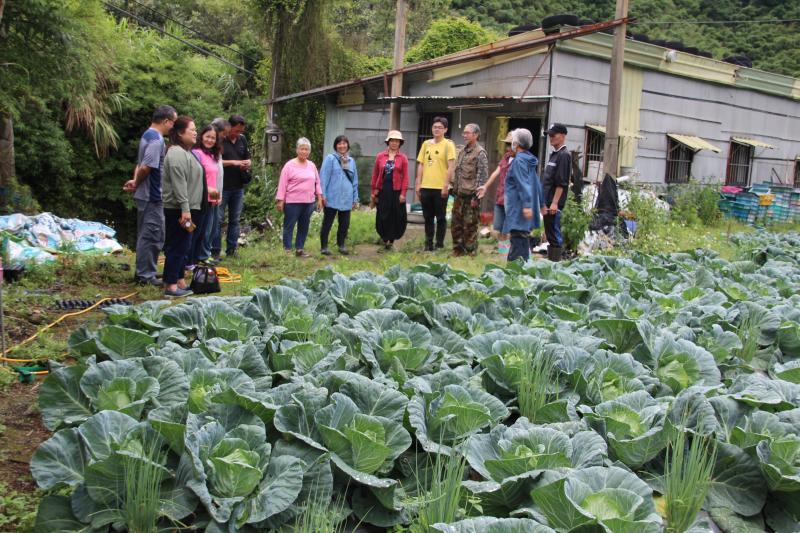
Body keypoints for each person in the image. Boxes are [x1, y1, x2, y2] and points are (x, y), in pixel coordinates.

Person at [123, 105, 176, 286]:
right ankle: (146, 276)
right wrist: (137, 182)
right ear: (166, 121)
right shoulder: (156, 139)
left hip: (145, 194)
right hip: (152, 195)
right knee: (152, 234)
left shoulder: (147, 135)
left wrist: (134, 180)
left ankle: (144, 271)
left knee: (148, 233)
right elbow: (146, 166)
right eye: (173, 123)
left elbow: (140, 163)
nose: (173, 127)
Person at [162, 116, 205, 297]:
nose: (196, 132)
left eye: (196, 129)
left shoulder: (187, 152)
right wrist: (185, 209)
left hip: (188, 207)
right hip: (178, 209)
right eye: (191, 130)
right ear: (180, 133)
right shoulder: (176, 153)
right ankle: (171, 286)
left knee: (184, 246)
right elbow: (179, 184)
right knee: (177, 246)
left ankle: (179, 280)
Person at [276, 137, 324, 258]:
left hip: (308, 202)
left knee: (304, 226)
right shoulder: (289, 165)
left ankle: (299, 249)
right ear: (297, 150)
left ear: (309, 151)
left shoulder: (312, 165)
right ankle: (287, 249)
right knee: (289, 226)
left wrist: (319, 198)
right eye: (302, 149)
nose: (304, 152)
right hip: (292, 202)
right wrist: (280, 201)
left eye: (307, 149)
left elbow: (317, 182)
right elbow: (282, 184)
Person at [415, 116, 455, 251]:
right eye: (435, 127)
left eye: (440, 127)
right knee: (427, 217)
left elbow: (451, 167)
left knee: (441, 217)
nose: (437, 129)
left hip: (440, 188)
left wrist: (446, 185)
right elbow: (421, 164)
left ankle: (439, 245)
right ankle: (428, 244)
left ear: (445, 129)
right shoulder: (426, 144)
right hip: (426, 186)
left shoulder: (448, 144)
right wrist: (418, 183)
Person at [503, 128, 543, 262]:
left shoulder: (519, 161)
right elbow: (536, 183)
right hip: (524, 208)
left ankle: (515, 275)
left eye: (512, 141)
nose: (510, 145)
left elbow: (522, 184)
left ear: (517, 144)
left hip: (519, 208)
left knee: (518, 243)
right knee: (522, 242)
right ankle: (524, 271)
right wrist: (541, 204)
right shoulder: (528, 160)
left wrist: (526, 205)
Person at [450, 123, 488, 257]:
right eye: (464, 133)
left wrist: (476, 198)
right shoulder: (461, 151)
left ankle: (470, 250)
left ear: (476, 135)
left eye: (467, 133)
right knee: (456, 224)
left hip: (471, 196)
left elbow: (482, 177)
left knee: (470, 224)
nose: (464, 135)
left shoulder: (480, 153)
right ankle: (457, 249)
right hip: (459, 194)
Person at [319, 135, 359, 256]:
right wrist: (323, 195)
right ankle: (324, 247)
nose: (342, 146)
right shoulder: (330, 159)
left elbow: (355, 181)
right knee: (327, 222)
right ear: (336, 146)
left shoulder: (351, 161)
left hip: (347, 197)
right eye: (339, 143)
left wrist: (355, 198)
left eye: (344, 143)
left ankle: (341, 245)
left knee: (344, 224)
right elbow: (323, 177)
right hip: (332, 197)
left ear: (347, 145)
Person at [371, 130, 409, 250]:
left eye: (397, 141)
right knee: (382, 214)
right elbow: (375, 174)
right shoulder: (380, 156)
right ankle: (384, 239)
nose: (394, 143)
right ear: (388, 142)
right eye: (392, 140)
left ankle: (391, 242)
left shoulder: (403, 158)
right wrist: (374, 191)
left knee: (395, 215)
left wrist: (403, 193)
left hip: (396, 191)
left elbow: (406, 177)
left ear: (400, 143)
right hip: (383, 190)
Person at [190, 125, 222, 266]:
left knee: (211, 230)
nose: (210, 140)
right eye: (207, 136)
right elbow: (194, 177)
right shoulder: (196, 153)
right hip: (200, 198)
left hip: (213, 198)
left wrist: (217, 195)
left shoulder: (213, 155)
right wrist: (208, 190)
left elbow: (215, 177)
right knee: (201, 230)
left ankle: (203, 255)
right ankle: (197, 257)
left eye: (213, 138)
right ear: (201, 136)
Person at [477, 132, 514, 256]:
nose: (508, 147)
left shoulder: (521, 160)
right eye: (507, 144)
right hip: (501, 197)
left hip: (513, 199)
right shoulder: (506, 157)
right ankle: (502, 252)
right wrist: (486, 186)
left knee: (510, 228)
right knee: (499, 227)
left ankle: (510, 254)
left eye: (510, 144)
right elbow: (496, 173)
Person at [220, 114, 250, 259]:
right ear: (229, 127)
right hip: (222, 186)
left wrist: (247, 163)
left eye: (240, 131)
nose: (238, 134)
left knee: (235, 220)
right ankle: (214, 251)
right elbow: (215, 161)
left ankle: (232, 250)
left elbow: (247, 156)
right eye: (236, 130)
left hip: (238, 186)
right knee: (218, 220)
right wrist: (234, 162)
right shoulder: (220, 139)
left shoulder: (242, 140)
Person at [541, 123, 571, 262]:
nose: (551, 137)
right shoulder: (555, 154)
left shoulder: (564, 155)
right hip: (547, 200)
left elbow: (561, 182)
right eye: (550, 135)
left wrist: (554, 203)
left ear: (563, 136)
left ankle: (556, 264)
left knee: (554, 233)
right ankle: (552, 262)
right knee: (549, 232)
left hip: (554, 203)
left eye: (554, 135)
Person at [209, 118, 229, 261]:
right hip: (208, 195)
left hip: (217, 193)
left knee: (215, 223)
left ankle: (210, 253)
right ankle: (205, 254)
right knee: (208, 226)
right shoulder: (204, 151)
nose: (224, 136)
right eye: (223, 133)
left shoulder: (217, 150)